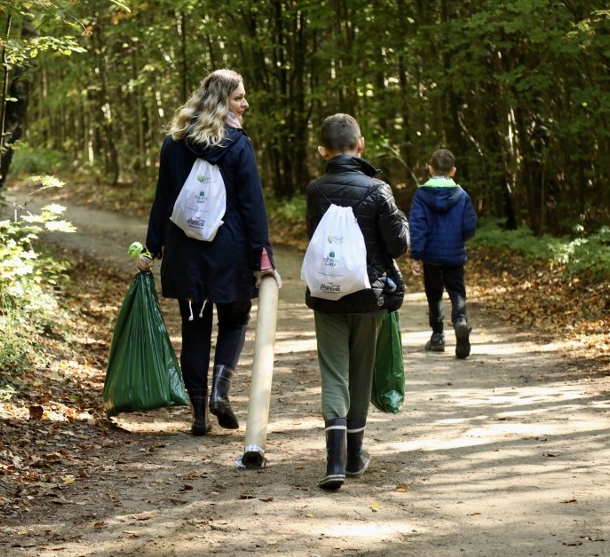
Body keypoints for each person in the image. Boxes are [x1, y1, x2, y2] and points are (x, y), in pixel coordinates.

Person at [139, 69, 281, 436]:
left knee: (194, 326)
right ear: (222, 102)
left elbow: (164, 200)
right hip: (228, 252)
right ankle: (220, 391)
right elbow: (252, 206)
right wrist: (262, 257)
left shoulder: (174, 142)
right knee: (235, 319)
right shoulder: (237, 143)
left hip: (185, 253)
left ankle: (199, 415)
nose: (245, 103)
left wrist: (151, 249)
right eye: (238, 98)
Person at [304, 113, 409, 490]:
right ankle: (353, 457)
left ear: (322, 151)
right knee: (360, 375)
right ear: (360, 145)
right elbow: (397, 245)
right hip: (369, 296)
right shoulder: (378, 189)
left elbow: (315, 240)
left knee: (334, 374)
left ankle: (332, 461)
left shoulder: (316, 190)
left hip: (327, 295)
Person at [409, 148, 477, 359]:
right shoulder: (462, 195)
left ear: (430, 169)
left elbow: (417, 226)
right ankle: (460, 322)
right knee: (457, 291)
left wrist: (416, 256)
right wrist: (459, 239)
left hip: (430, 255)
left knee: (434, 293)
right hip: (454, 255)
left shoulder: (421, 195)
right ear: (453, 171)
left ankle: (438, 336)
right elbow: (469, 226)